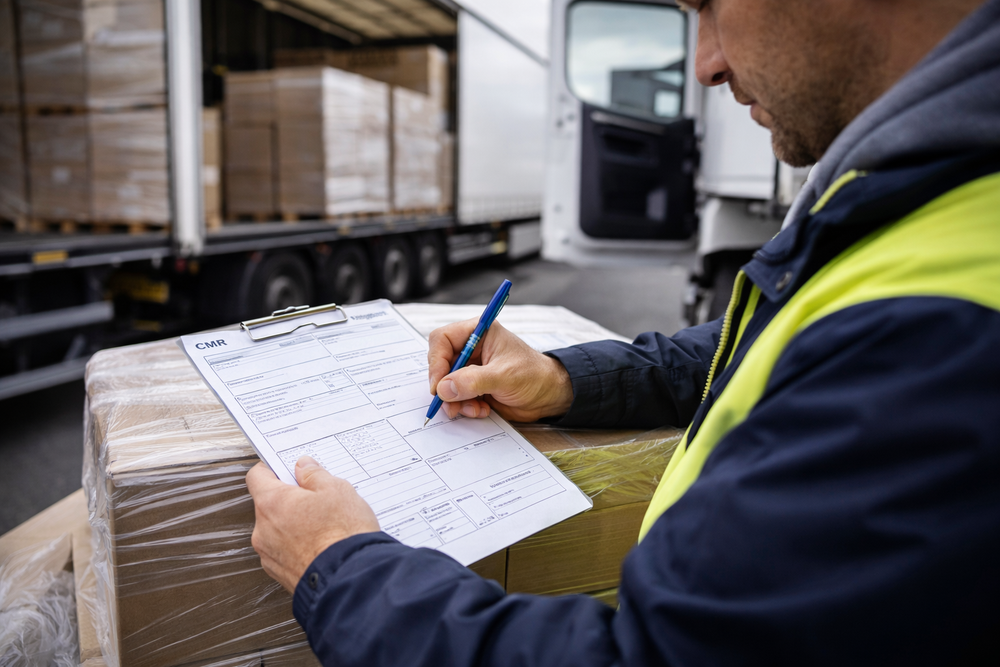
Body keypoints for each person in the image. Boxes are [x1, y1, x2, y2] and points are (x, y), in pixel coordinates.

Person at [245, 0, 1000, 663]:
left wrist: (340, 567)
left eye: (708, 4)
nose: (704, 64)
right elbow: (771, 352)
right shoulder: (942, 198)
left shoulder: (947, 341)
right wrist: (568, 379)